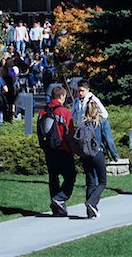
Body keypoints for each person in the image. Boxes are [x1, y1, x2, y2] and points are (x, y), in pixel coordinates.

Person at [38, 86, 76, 216]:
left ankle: (57, 209)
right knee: (70, 177)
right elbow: (70, 133)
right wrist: (73, 149)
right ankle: (59, 199)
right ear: (61, 97)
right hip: (63, 149)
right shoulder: (64, 112)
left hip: (49, 150)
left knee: (53, 178)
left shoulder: (42, 111)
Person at [81, 100, 120, 218]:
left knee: (90, 182)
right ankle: (92, 203)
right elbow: (109, 140)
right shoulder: (102, 122)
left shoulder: (84, 123)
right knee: (102, 182)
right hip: (98, 153)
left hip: (85, 155)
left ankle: (90, 211)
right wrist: (115, 155)